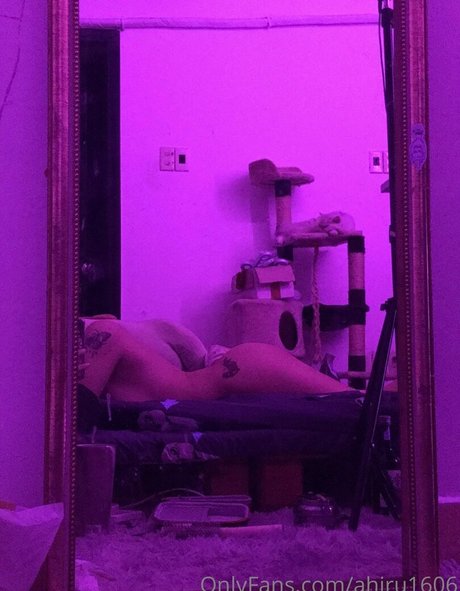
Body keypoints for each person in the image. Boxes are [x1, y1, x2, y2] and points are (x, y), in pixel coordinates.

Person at [79, 320, 352, 404]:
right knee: (350, 401)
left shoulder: (102, 335)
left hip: (236, 371)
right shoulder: (93, 350)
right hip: (235, 372)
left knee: (353, 401)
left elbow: (79, 415)